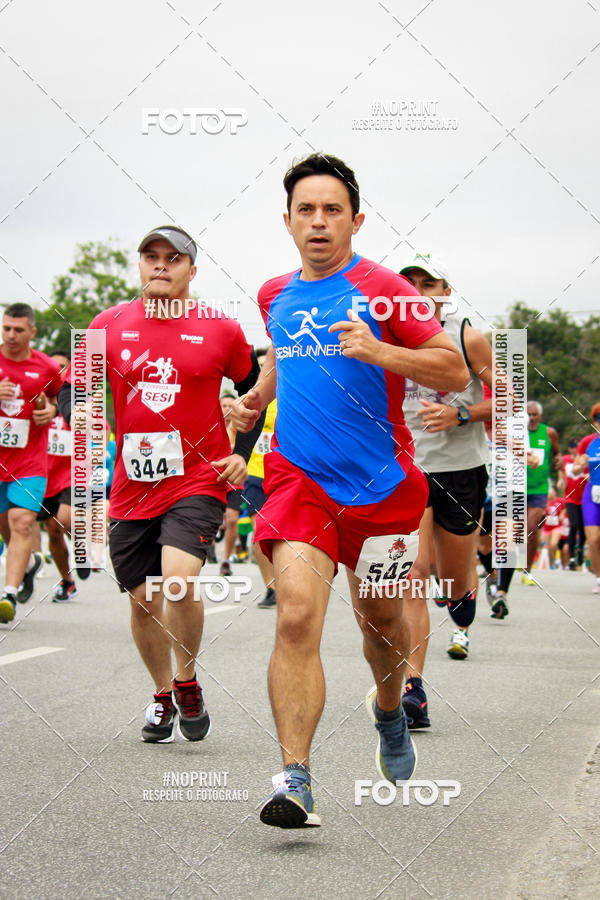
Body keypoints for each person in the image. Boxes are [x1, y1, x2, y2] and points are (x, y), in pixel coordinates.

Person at [230, 154, 468, 828]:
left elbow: (451, 369)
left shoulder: (387, 290)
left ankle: (389, 709)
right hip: (299, 481)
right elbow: (284, 353)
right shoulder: (273, 294)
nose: (319, 221)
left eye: (332, 209)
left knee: (382, 626)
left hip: (382, 488)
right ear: (287, 221)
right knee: (297, 615)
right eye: (306, 209)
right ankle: (295, 778)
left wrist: (381, 352)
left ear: (356, 219)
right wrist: (252, 400)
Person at [58, 225, 264, 740]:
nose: (160, 266)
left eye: (173, 258)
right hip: (132, 485)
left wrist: (241, 454)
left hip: (198, 476)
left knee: (178, 577)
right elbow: (72, 393)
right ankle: (161, 694)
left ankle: (187, 680)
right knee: (144, 599)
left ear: (191, 271)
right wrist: (78, 414)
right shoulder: (107, 324)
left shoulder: (221, 329)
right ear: (140, 265)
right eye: (150, 256)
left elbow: (252, 398)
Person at [398, 252, 492, 738]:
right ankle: (414, 688)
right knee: (414, 571)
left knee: (454, 583)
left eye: (426, 283)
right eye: (407, 283)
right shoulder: (388, 336)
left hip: (461, 468)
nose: (416, 292)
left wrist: (461, 415)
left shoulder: (466, 335)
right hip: (409, 470)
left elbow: (511, 396)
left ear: (443, 289)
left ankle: (463, 594)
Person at [0, 304, 63, 624]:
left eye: (18, 330)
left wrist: (51, 410)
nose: (11, 335)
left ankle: (8, 594)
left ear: (32, 333)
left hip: (30, 462)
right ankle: (26, 566)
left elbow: (61, 398)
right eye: (6, 328)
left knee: (22, 523)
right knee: (6, 530)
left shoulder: (47, 367)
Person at [37, 349, 80, 601]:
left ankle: (85, 547)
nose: (57, 371)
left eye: (62, 367)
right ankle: (67, 581)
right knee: (52, 531)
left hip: (73, 473)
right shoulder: (36, 398)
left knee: (63, 519)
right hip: (44, 474)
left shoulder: (74, 399)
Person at [242, 348, 277, 608]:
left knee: (281, 534)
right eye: (262, 366)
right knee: (259, 531)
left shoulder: (287, 394)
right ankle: (271, 588)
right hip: (255, 471)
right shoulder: (252, 398)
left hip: (285, 472)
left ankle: (290, 580)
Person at [523, 401, 562, 584]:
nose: (531, 418)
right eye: (528, 414)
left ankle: (527, 570)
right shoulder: (516, 433)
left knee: (531, 528)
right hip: (517, 487)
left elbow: (557, 454)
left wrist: (559, 463)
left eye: (534, 415)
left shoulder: (549, 433)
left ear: (540, 416)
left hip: (539, 489)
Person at [573, 403, 600, 593]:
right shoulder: (588, 442)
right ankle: (599, 578)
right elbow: (575, 468)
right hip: (592, 493)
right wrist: (579, 464)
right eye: (598, 418)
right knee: (593, 540)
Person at [218, 391, 243, 577]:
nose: (227, 409)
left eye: (230, 406)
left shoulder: (241, 428)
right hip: (214, 478)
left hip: (233, 479)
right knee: (213, 520)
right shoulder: (211, 426)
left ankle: (226, 559)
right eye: (224, 406)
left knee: (233, 519)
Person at [561, 438, 587, 569]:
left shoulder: (585, 461)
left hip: (583, 499)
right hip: (570, 498)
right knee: (574, 525)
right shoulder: (566, 460)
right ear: (569, 448)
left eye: (577, 446)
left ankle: (580, 549)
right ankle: (571, 557)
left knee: (583, 528)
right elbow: (562, 473)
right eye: (572, 446)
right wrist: (560, 481)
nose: (575, 448)